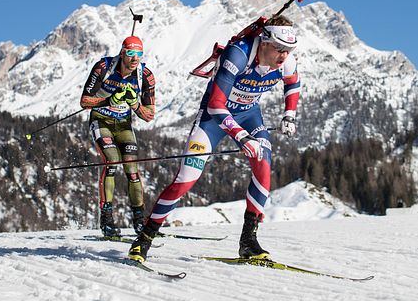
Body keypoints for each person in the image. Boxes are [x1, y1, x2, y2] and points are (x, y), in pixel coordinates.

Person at [129, 15, 301, 262]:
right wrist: (241, 138)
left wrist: (289, 115)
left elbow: (293, 83)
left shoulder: (286, 61)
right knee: (186, 179)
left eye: (289, 50)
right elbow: (216, 105)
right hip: (215, 118)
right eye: (279, 49)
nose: (284, 56)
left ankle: (248, 241)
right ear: (264, 42)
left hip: (250, 115)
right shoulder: (238, 55)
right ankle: (144, 238)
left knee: (263, 166)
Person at [80, 35, 156, 237]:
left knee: (132, 167)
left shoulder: (145, 75)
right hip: (101, 121)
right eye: (131, 53)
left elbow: (149, 115)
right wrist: (108, 100)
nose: (135, 58)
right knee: (111, 162)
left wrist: (135, 104)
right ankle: (107, 220)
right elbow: (84, 101)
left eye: (139, 54)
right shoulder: (103, 68)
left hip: (123, 124)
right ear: (122, 53)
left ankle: (140, 220)